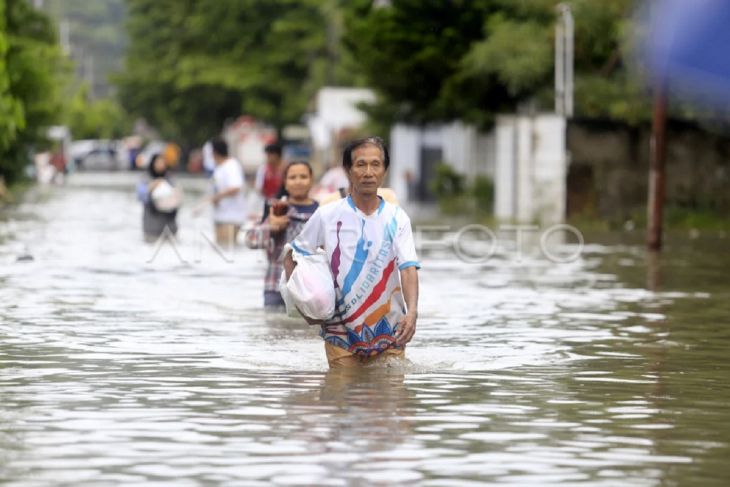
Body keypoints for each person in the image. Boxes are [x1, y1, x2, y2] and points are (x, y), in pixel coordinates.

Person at [283, 136, 420, 368]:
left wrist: (413, 312)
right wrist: (305, 307)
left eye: (375, 164)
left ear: (384, 170)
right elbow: (292, 256)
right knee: (341, 396)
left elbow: (408, 268)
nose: (368, 172)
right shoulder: (327, 215)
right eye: (360, 165)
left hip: (390, 329)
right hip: (340, 332)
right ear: (348, 170)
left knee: (393, 397)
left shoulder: (398, 218)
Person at [246, 161, 319, 309]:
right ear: (285, 183)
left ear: (312, 181)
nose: (298, 181)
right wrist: (271, 227)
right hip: (276, 285)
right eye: (292, 177)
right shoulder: (276, 209)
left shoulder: (321, 212)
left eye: (303, 176)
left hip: (312, 287)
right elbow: (250, 240)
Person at [209, 138, 247, 246]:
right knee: (219, 248)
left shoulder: (231, 165)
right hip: (220, 215)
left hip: (232, 217)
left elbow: (236, 187)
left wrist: (218, 196)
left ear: (215, 152)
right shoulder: (219, 167)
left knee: (227, 249)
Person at [136, 153, 181, 242]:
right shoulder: (145, 178)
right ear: (153, 164)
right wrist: (151, 187)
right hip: (152, 227)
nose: (161, 165)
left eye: (163, 163)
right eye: (158, 163)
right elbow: (140, 196)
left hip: (170, 225)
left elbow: (178, 198)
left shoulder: (170, 179)